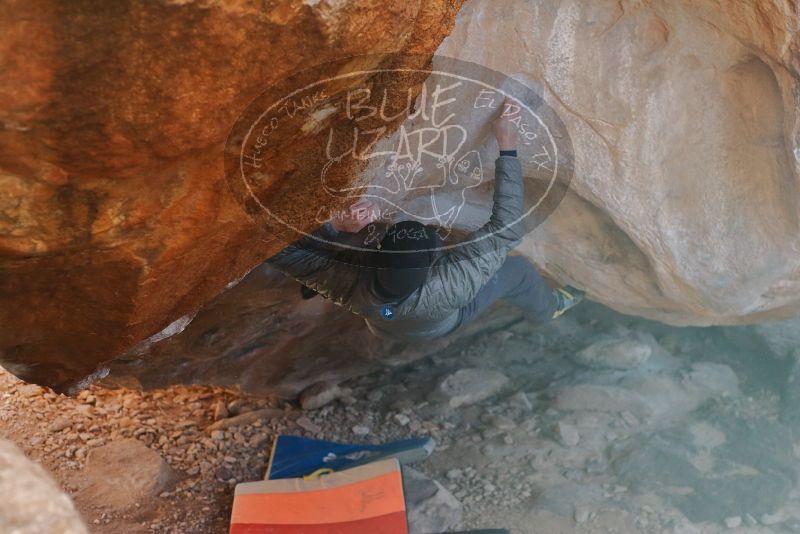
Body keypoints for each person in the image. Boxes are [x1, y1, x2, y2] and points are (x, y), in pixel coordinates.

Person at [268, 97, 583, 342]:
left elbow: (278, 251)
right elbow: (508, 230)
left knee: (321, 264)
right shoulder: (455, 284)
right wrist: (508, 145)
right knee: (519, 271)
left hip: (385, 323)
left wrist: (337, 227)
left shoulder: (344, 281)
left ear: (377, 256)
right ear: (438, 260)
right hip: (441, 321)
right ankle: (550, 308)